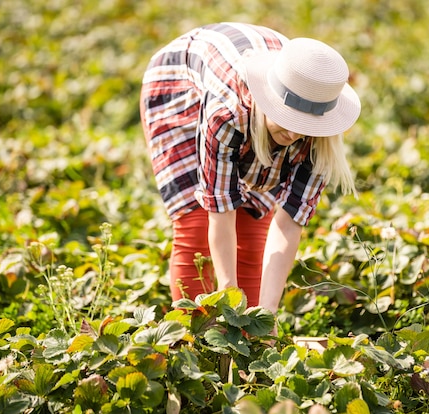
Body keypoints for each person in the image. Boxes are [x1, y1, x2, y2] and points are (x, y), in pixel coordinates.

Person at [140, 22, 360, 315]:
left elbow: (288, 223)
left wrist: (266, 312)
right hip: (181, 87)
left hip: (254, 90)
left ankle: (246, 342)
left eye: (304, 125)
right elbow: (220, 211)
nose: (295, 133)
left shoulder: (321, 136)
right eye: (289, 118)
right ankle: (193, 342)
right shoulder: (228, 111)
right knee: (195, 226)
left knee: (253, 228)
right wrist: (227, 298)